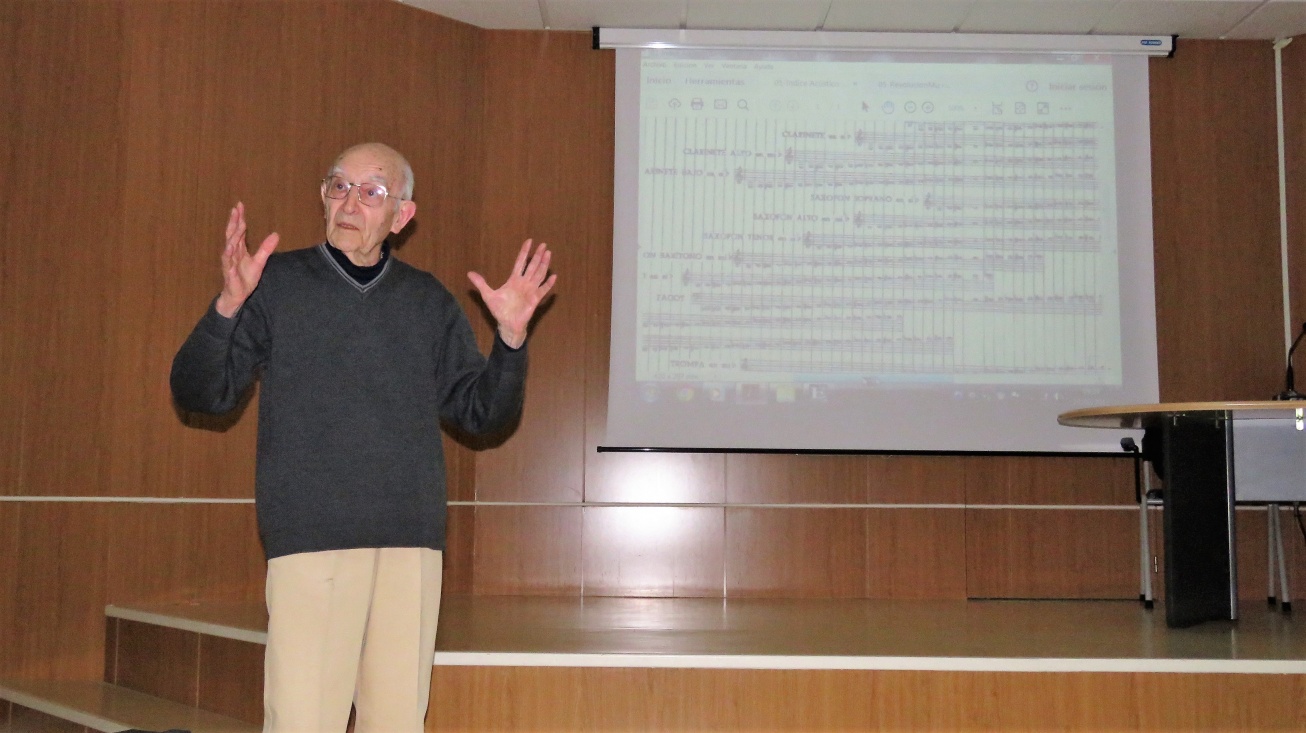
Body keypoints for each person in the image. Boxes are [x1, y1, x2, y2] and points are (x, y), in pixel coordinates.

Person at [170, 142, 555, 733]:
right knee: (303, 721)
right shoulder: (274, 284)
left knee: (397, 721)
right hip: (312, 538)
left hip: (410, 544)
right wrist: (226, 307)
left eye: (372, 191)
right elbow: (201, 395)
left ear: (402, 216)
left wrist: (509, 342)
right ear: (323, 198)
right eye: (338, 186)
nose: (350, 201)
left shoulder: (428, 302)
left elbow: (483, 416)